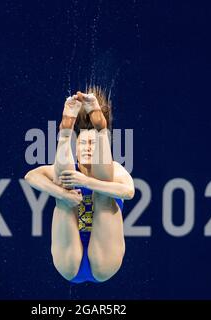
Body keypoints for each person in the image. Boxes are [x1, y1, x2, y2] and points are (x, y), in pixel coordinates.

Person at [25, 86, 134, 283]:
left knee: (103, 194)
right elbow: (31, 177)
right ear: (76, 147)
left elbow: (128, 192)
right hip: (69, 260)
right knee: (65, 187)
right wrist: (61, 194)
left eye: (92, 145)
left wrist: (88, 182)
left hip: (104, 259)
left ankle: (101, 128)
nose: (87, 149)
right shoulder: (71, 171)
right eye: (83, 144)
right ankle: (65, 134)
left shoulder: (115, 169)